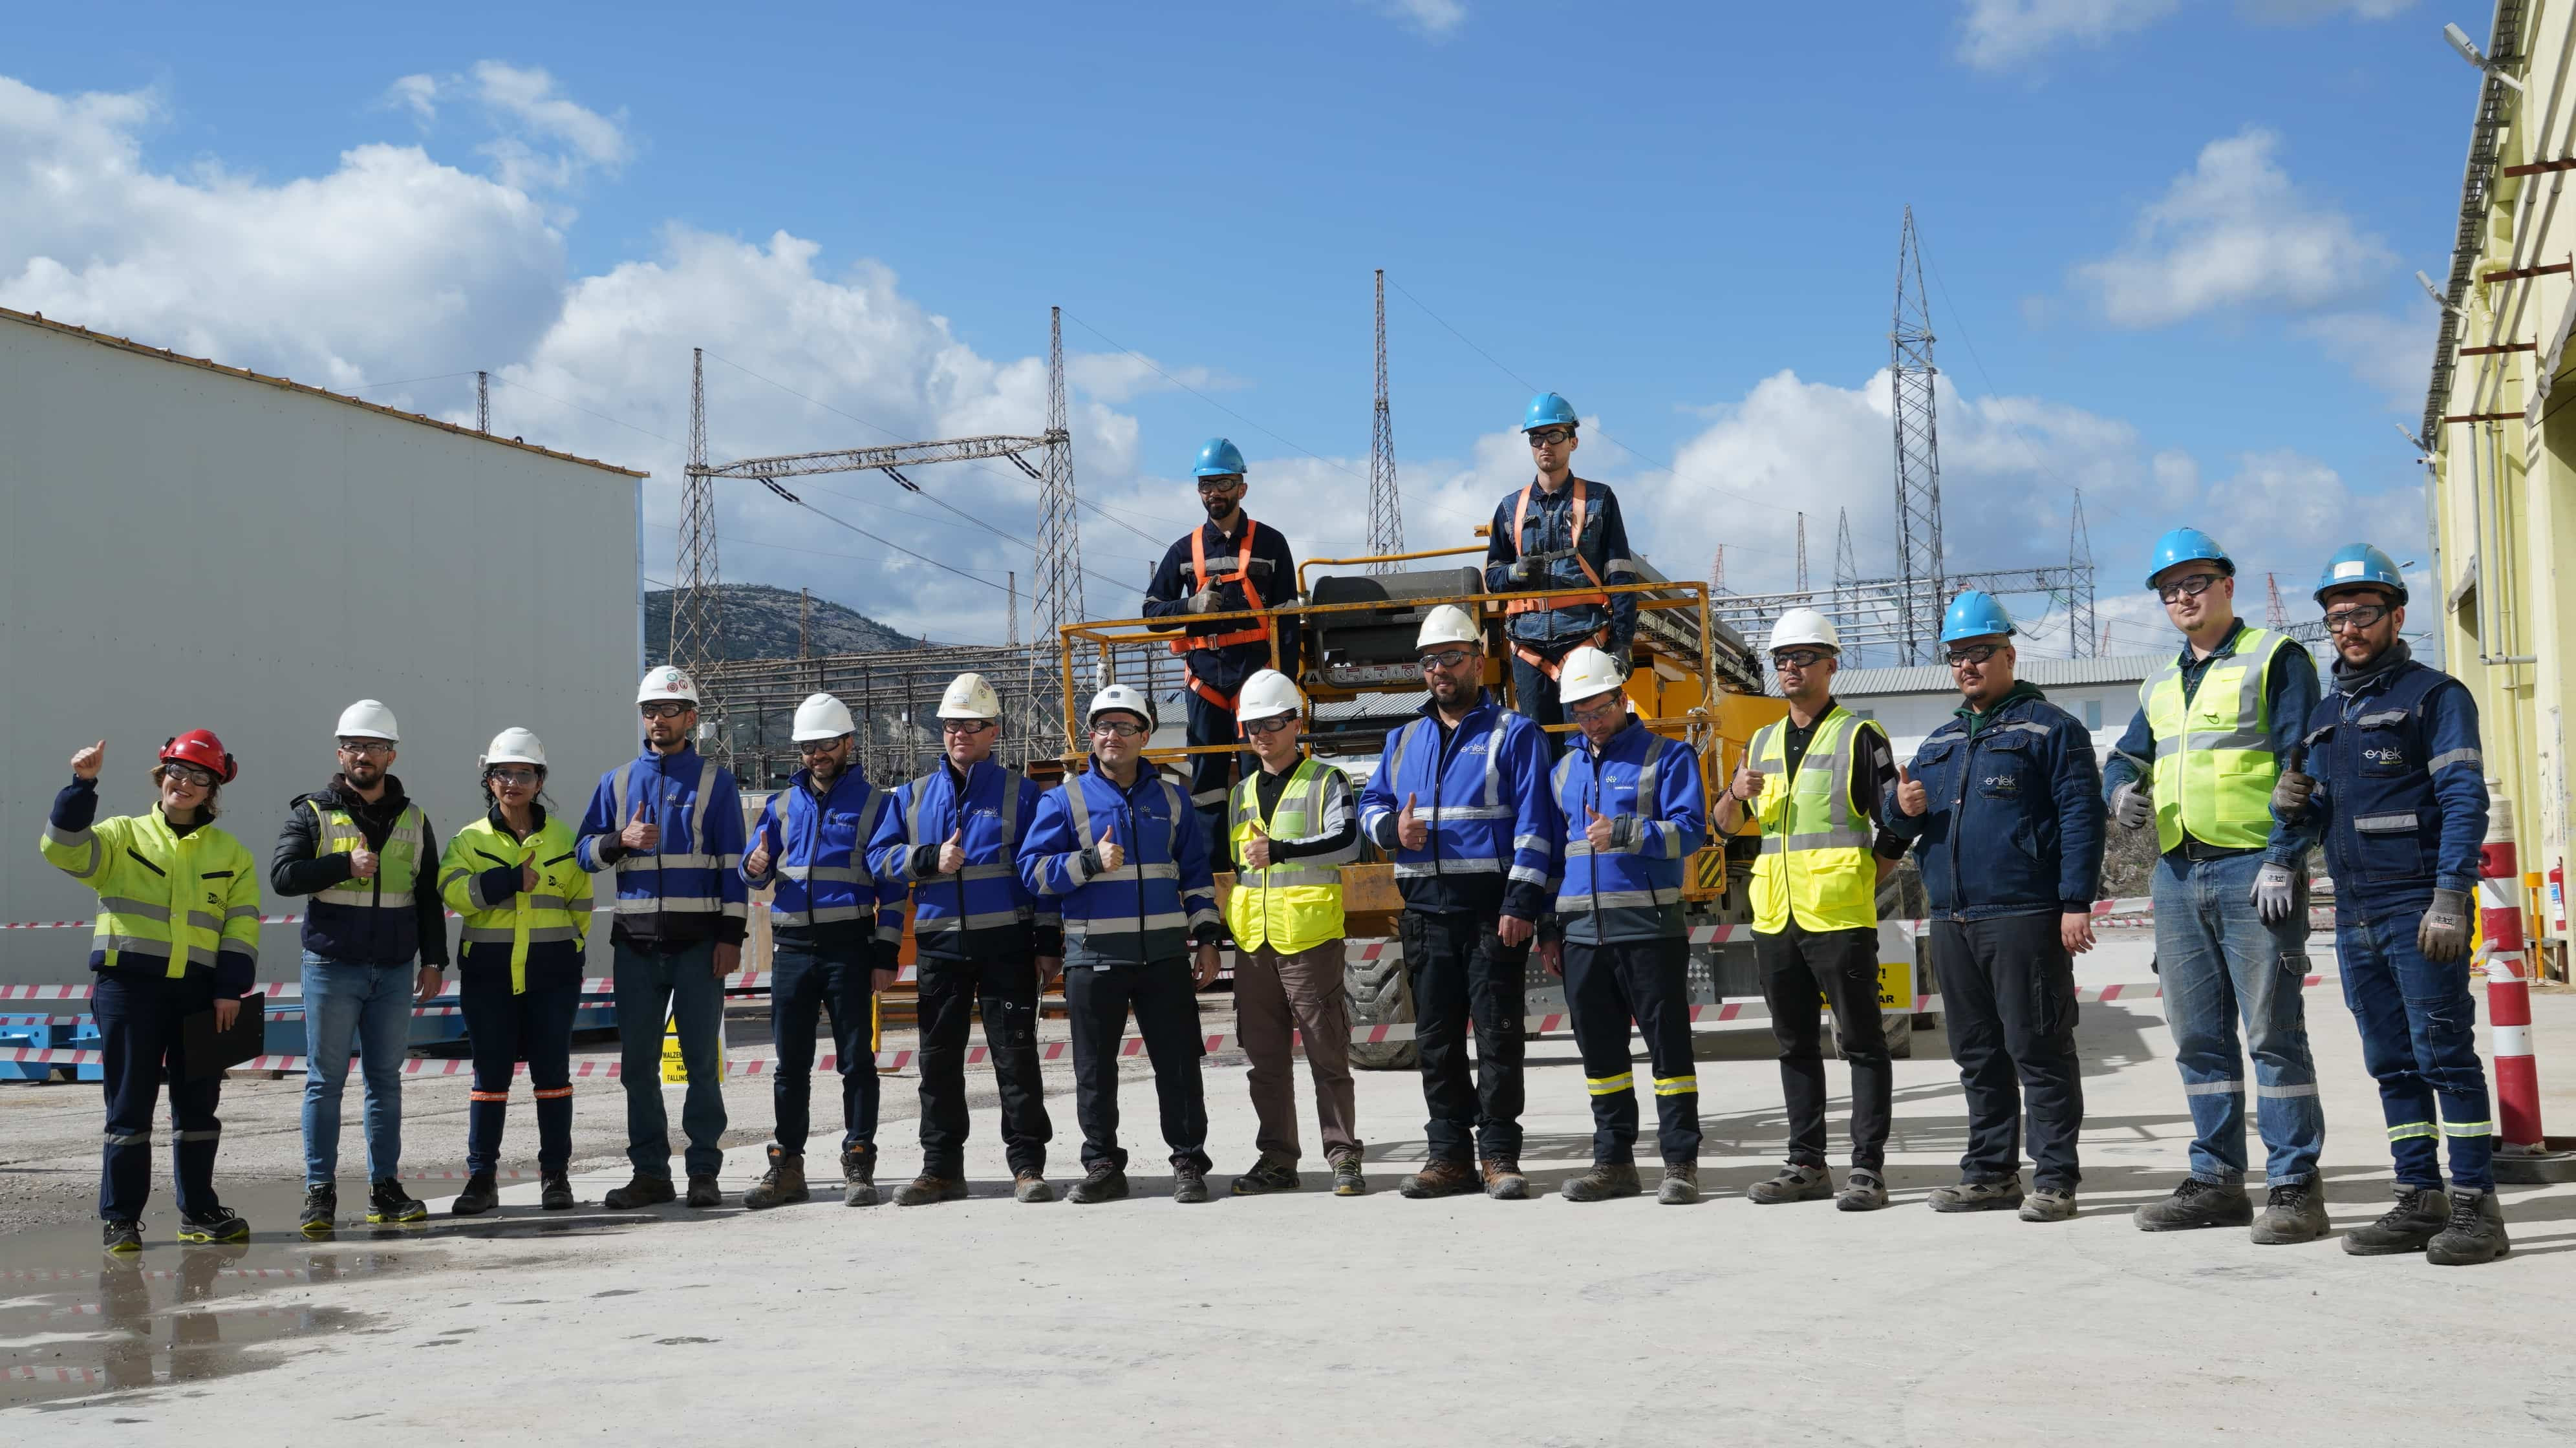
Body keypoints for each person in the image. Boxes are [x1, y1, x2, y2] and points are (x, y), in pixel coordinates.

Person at [2273, 545, 2507, 1264]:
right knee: (2390, 1060)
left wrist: (2450, 893)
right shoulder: (2323, 714)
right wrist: (2292, 817)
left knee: (2445, 1054)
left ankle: (2476, 1206)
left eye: (2364, 612)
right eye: (2337, 617)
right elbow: (2320, 811)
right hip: (2355, 910)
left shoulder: (2435, 696)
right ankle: (2419, 1194)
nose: (2349, 627)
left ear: (2396, 615)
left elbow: (2464, 799)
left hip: (2418, 906)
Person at [2103, 527, 2328, 1243]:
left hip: (2249, 868)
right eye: (2169, 590)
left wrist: (2285, 855)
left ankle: (2295, 1185)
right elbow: (2124, 757)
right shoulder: (2162, 682)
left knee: (2272, 1032)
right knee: (2198, 1036)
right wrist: (2118, 795)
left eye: (2194, 583)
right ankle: (2217, 1179)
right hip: (2175, 872)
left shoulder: (2275, 659)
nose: (2182, 597)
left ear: (2227, 584)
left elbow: (2306, 763)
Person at [1884, 592, 2105, 1222]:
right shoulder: (1941, 741)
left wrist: (2074, 902)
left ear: (2009, 653)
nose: (1967, 665)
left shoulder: (2050, 727)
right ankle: (1989, 1172)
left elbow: (2082, 819)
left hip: (2024, 915)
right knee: (1977, 1051)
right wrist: (1900, 807)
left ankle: (2056, 1176)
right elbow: (1899, 822)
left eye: (1979, 652)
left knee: (2038, 1045)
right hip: (1953, 919)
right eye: (1957, 655)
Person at [1356, 604, 1561, 1200]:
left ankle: (1498, 1154)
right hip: (1424, 913)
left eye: (1451, 657)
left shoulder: (1514, 733)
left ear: (1478, 661)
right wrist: (1394, 832)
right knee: (1436, 1040)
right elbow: (1371, 805)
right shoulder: (1403, 738)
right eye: (1429, 661)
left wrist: (1522, 902)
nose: (1440, 669)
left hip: (1491, 912)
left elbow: (1535, 825)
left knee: (1498, 1036)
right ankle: (1449, 1156)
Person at [1713, 607, 1908, 1211]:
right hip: (1775, 918)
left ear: (1831, 664)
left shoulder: (1859, 736)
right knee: (1794, 1044)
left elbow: (1896, 823)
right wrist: (1732, 794)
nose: (1790, 668)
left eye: (1802, 657)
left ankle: (1868, 1171)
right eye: (1781, 659)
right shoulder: (1762, 740)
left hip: (1840, 918)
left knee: (1863, 1044)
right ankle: (1806, 1165)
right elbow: (1722, 828)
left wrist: (1865, 875)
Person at [43, 732, 263, 1251]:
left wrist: (230, 989)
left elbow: (241, 924)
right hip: (128, 989)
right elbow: (63, 850)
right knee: (129, 1105)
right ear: (160, 776)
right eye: (176, 772)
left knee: (199, 1106)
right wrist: (82, 784)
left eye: (198, 777)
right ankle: (120, 1218)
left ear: (213, 790)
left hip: (201, 994)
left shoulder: (231, 853)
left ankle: (200, 1211)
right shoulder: (122, 835)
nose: (183, 784)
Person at [1018, 684, 1225, 1204]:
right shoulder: (1064, 799)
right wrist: (1086, 863)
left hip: (1164, 957)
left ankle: (1188, 1161)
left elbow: (1197, 877)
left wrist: (1205, 939)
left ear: (1145, 735)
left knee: (1178, 1064)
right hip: (1094, 957)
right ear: (1092, 736)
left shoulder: (1174, 800)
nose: (1113, 736)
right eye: (1104, 726)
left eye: (1125, 726)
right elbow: (1032, 873)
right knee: (1094, 1068)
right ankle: (1103, 1164)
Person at [870, 672, 1060, 1205]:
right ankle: (942, 1170)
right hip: (940, 949)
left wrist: (1047, 943)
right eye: (952, 725)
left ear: (993, 731)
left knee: (1016, 1058)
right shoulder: (910, 797)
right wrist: (926, 859)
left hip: (1008, 945)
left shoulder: (1021, 794)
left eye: (971, 726)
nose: (959, 734)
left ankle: (1027, 1166)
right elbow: (879, 860)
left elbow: (1040, 874)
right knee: (938, 1062)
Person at [269, 699, 446, 1235]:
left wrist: (434, 960)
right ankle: (319, 1191)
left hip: (393, 970)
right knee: (324, 1082)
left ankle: (384, 1188)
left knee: (384, 1083)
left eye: (371, 746)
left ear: (390, 755)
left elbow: (427, 897)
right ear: (339, 752)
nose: (360, 755)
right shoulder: (312, 812)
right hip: (331, 966)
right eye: (351, 746)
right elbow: (283, 876)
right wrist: (341, 865)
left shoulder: (414, 819)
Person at [575, 665, 749, 1210]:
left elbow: (732, 867)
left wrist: (732, 937)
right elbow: (582, 852)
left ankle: (703, 1171)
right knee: (637, 1068)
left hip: (700, 947)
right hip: (635, 945)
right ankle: (650, 1173)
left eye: (669, 711)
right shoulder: (617, 781)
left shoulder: (715, 782)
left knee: (701, 1064)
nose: (657, 720)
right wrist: (618, 841)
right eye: (649, 711)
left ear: (690, 719)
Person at [1543, 646, 1708, 1204]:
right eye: (1581, 714)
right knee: (1601, 1056)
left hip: (1649, 930)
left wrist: (1627, 832)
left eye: (1599, 709)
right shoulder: (1563, 769)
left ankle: (1680, 1162)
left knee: (1668, 1051)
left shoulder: (1668, 757)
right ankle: (1613, 1162)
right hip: (1583, 935)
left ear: (1621, 698)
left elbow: (1692, 833)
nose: (1591, 722)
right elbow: (1552, 856)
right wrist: (1550, 927)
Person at [738, 693, 901, 1210]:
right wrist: (756, 865)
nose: (818, 754)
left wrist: (885, 954)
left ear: (848, 743)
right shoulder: (781, 805)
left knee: (857, 1061)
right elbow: (751, 872)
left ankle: (858, 1159)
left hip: (849, 946)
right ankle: (787, 1165)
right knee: (790, 1066)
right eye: (809, 746)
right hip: (791, 949)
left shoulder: (877, 804)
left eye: (827, 744)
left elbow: (894, 889)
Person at [1221, 668, 1366, 1199]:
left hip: (1308, 940)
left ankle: (1344, 1156)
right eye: (1253, 724)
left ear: (1295, 723)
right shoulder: (1240, 793)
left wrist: (1280, 850)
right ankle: (1277, 1159)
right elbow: (1238, 870)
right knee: (1265, 1064)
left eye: (1273, 722)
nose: (1262, 733)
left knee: (1328, 1056)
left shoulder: (1327, 781)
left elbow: (1349, 842)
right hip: (1254, 945)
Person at [436, 729, 594, 1215]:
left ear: (540, 779)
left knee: (553, 1078)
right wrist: (503, 881)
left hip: (552, 978)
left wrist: (571, 954)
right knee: (490, 1079)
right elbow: (452, 892)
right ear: (488, 780)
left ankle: (556, 1177)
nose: (513, 782)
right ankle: (482, 1179)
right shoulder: (469, 839)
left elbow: (581, 905)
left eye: (524, 773)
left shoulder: (566, 840)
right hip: (489, 978)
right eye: (503, 773)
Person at [1141, 438, 1302, 861]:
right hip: (1205, 681)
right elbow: (1151, 612)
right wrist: (1190, 606)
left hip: (1258, 681)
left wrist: (1287, 683)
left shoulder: (1270, 544)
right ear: (1199, 491)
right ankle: (1213, 873)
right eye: (1207, 485)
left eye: (1224, 483)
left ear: (1242, 488)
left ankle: (1265, 861)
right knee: (1208, 783)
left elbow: (1288, 618)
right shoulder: (1183, 551)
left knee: (1261, 774)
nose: (1215, 493)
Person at [1484, 392, 1639, 747]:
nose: (1545, 445)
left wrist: (1622, 644)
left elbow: (1620, 576)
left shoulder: (1600, 500)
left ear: (1573, 440)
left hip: (1584, 639)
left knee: (1587, 744)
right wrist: (1514, 574)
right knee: (1536, 747)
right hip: (1529, 647)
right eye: (1536, 438)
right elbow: (1492, 578)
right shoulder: (1510, 509)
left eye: (1554, 435)